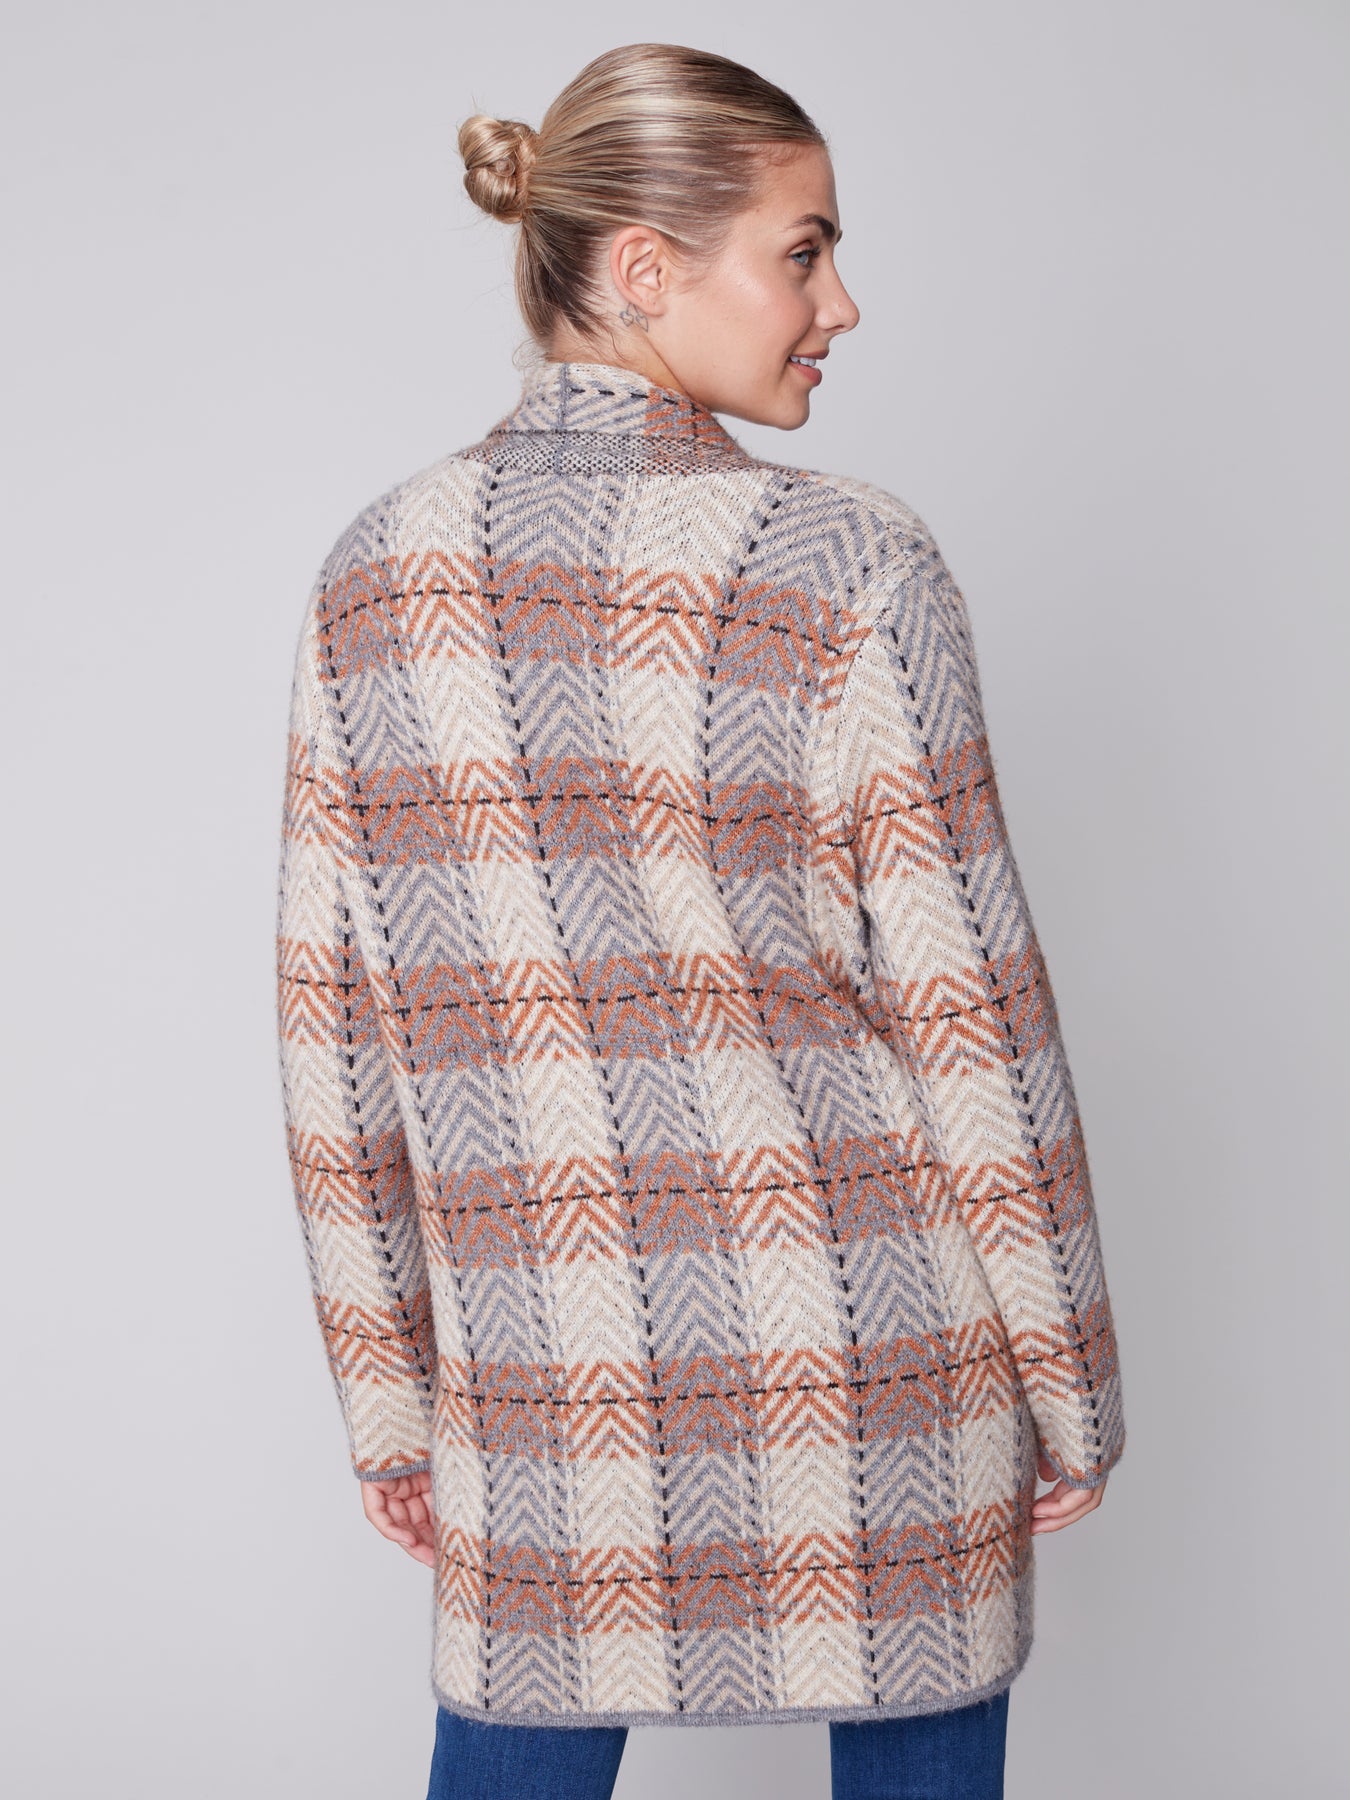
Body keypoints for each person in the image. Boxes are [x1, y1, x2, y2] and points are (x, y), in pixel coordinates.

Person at [274, 41, 1126, 1800]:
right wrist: (1070, 1383)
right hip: (881, 1367)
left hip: (540, 1376)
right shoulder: (852, 565)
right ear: (646, 267)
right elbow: (974, 1020)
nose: (842, 304)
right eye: (804, 252)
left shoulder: (374, 576)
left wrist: (390, 1395)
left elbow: (332, 1036)